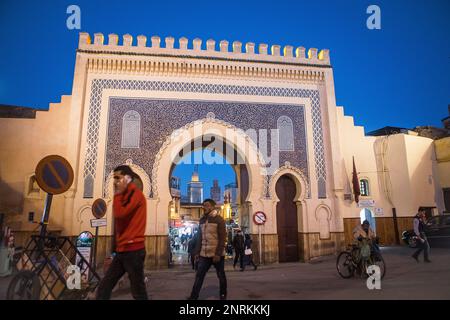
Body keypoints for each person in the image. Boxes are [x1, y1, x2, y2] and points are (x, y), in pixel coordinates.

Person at [96, 165, 148, 300]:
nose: (114, 181)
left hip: (134, 251)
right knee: (104, 286)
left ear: (127, 178)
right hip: (123, 250)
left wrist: (118, 193)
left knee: (138, 292)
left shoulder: (135, 194)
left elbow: (119, 214)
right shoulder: (125, 195)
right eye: (114, 178)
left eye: (117, 177)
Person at [187, 199, 227, 300]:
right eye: (204, 205)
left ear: (213, 207)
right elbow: (199, 237)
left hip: (217, 255)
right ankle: (193, 296)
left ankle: (223, 294)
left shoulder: (219, 220)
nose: (205, 207)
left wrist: (218, 254)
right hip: (204, 254)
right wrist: (197, 252)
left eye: (207, 205)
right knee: (199, 276)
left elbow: (222, 238)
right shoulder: (202, 220)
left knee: (221, 275)